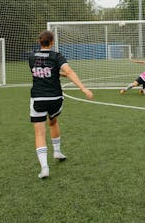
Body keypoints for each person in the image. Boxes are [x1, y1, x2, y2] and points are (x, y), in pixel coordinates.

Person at [29, 30, 93, 179]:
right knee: (53, 122)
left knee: (39, 133)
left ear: (40, 42)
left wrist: (59, 72)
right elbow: (68, 71)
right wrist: (83, 88)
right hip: (55, 98)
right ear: (52, 42)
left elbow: (44, 71)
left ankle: (44, 168)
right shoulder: (57, 56)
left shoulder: (32, 57)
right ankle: (57, 151)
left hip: (38, 98)